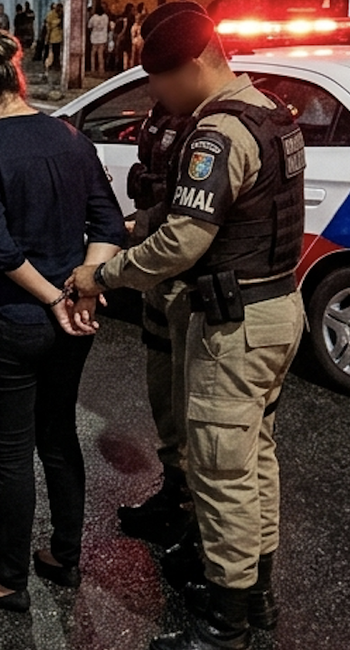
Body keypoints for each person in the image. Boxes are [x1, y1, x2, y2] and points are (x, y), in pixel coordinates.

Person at [67, 3, 306, 648]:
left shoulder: (217, 135)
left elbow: (180, 245)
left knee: (221, 473)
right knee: (254, 460)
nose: (158, 93)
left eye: (163, 78)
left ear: (199, 61)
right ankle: (255, 598)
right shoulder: (273, 114)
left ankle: (223, 629)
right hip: (275, 313)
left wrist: (106, 274)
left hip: (234, 328)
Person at [0, 31, 125, 613]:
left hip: (13, 320)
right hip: (71, 324)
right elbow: (108, 227)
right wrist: (83, 289)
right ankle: (65, 558)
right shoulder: (71, 137)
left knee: (11, 452)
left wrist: (55, 297)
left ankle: (8, 580)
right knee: (58, 437)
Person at [117, 100, 201, 553]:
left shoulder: (211, 121)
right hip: (158, 285)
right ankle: (173, 497)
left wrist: (110, 271)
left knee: (195, 415)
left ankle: (195, 525)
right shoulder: (162, 111)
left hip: (188, 289)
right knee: (164, 397)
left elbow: (189, 229)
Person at [87, 4, 110, 75]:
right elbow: (107, 26)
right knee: (100, 55)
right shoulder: (105, 17)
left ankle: (93, 69)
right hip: (103, 38)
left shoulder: (93, 17)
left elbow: (89, 26)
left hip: (94, 38)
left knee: (93, 54)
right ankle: (101, 69)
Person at [43, 3, 63, 70]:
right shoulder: (53, 15)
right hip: (54, 37)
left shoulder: (58, 15)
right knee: (54, 52)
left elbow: (49, 26)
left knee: (56, 52)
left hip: (56, 37)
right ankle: (53, 64)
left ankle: (54, 64)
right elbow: (48, 27)